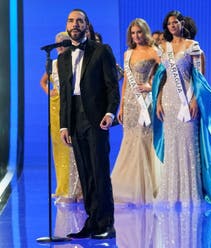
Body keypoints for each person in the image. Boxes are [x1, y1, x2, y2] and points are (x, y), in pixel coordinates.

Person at [152, 10, 211, 205]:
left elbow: (199, 77)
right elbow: (162, 77)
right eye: (169, 24)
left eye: (175, 22)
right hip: (168, 99)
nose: (172, 26)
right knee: (172, 144)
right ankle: (171, 190)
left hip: (187, 99)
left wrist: (194, 100)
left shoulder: (192, 46)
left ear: (182, 24)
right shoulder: (164, 47)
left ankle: (189, 191)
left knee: (187, 143)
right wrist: (158, 100)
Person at [58, 9, 120, 238]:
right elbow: (65, 94)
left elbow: (113, 86)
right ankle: (92, 222)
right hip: (75, 120)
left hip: (96, 119)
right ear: (67, 25)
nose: (75, 24)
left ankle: (107, 225)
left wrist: (110, 113)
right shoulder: (63, 57)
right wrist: (64, 125)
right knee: (85, 173)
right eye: (71, 21)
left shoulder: (101, 51)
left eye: (79, 21)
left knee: (99, 171)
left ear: (87, 25)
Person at [111, 18, 159, 205]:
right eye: (133, 33)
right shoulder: (127, 53)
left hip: (145, 103)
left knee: (143, 140)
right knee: (129, 141)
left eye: (139, 32)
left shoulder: (154, 51)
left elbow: (165, 74)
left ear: (145, 32)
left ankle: (146, 188)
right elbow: (125, 84)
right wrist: (121, 106)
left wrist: (150, 85)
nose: (136, 36)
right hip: (130, 103)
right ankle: (127, 186)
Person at [39, 31, 82, 204]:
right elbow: (43, 81)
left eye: (64, 42)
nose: (61, 46)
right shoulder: (55, 63)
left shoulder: (75, 60)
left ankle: (77, 188)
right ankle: (63, 187)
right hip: (56, 107)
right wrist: (51, 93)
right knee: (60, 149)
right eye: (58, 43)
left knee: (73, 146)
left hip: (72, 106)